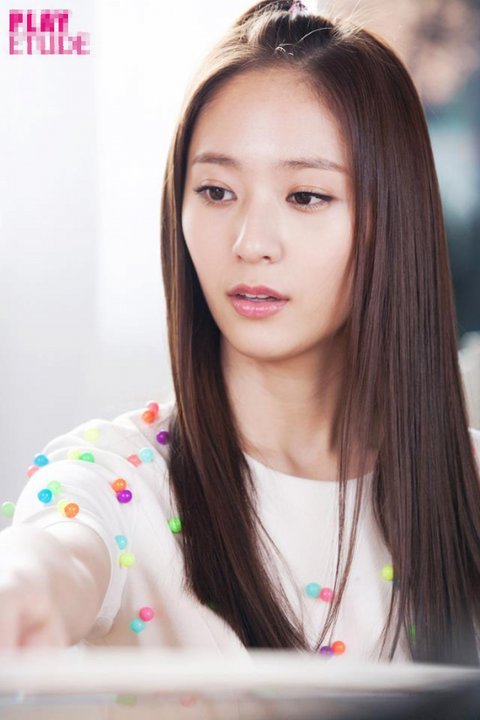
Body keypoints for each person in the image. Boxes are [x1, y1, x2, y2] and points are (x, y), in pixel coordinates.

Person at [1, 0, 479, 666]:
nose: (251, 243)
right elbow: (54, 555)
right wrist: (26, 586)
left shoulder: (465, 485)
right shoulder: (119, 480)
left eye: (305, 196)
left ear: (390, 221)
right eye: (216, 191)